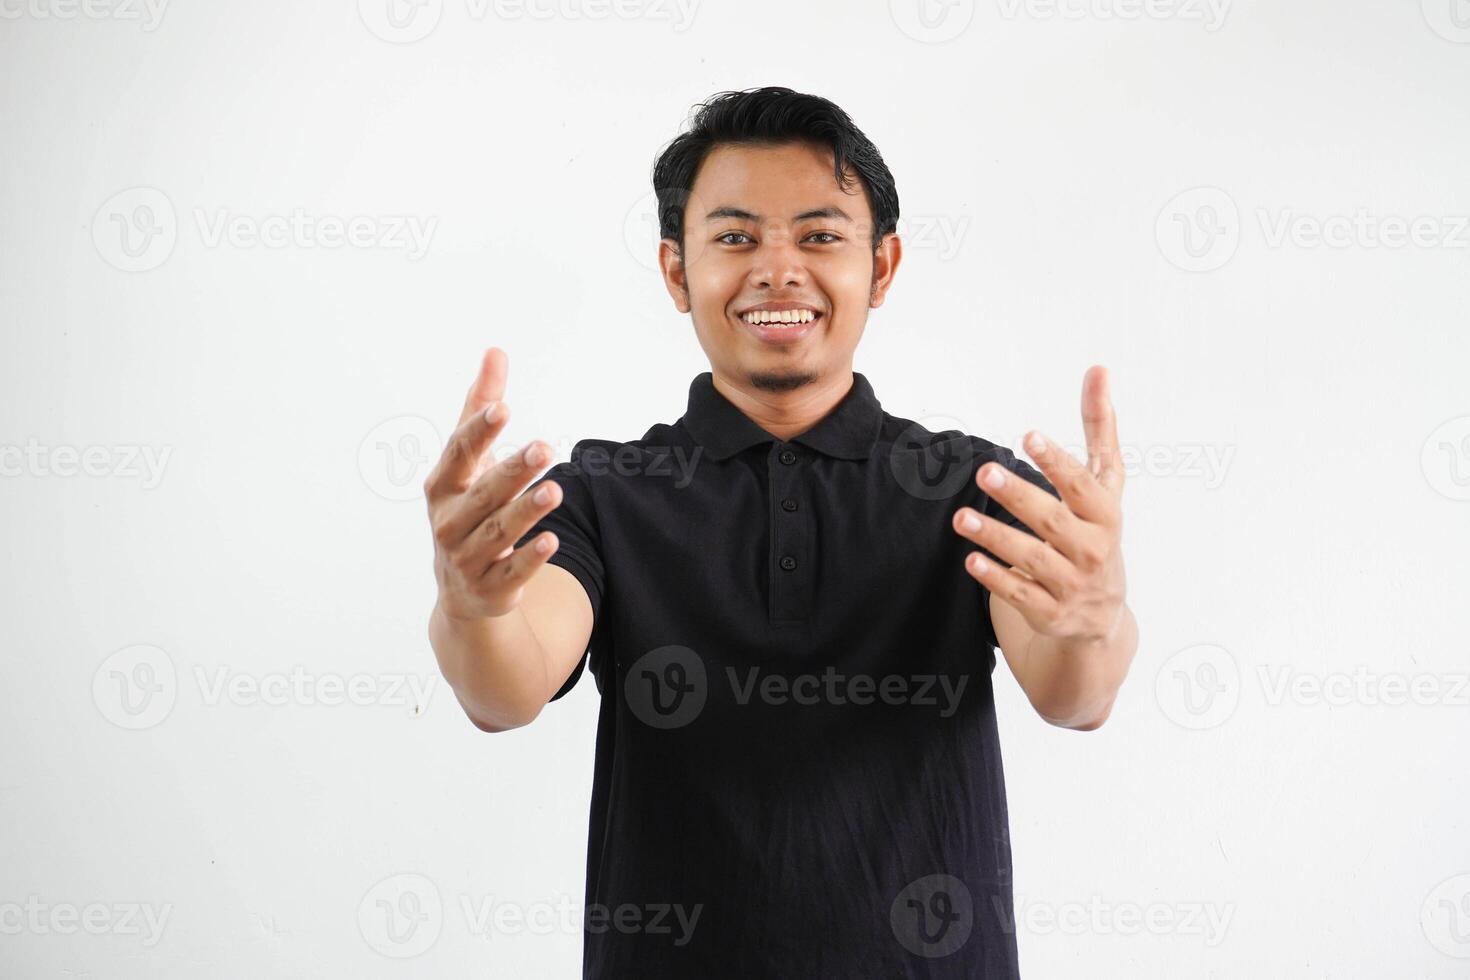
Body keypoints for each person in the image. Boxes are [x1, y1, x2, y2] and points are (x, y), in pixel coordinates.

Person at [423, 85, 1138, 979]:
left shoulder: (975, 489)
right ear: (677, 271)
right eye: (733, 238)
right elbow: (505, 691)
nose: (777, 270)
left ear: (881, 268)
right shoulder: (604, 495)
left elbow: (1076, 694)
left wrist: (1098, 615)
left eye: (819, 235)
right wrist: (471, 606)